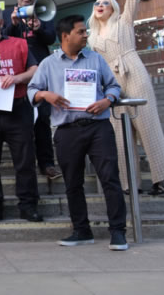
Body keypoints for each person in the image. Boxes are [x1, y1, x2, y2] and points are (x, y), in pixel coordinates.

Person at [28, 15, 128, 251]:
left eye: (85, 31)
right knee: (73, 183)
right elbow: (31, 90)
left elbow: (114, 85)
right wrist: (46, 95)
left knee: (110, 179)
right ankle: (81, 230)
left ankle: (118, 232)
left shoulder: (95, 58)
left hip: (98, 127)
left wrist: (107, 100)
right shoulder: (48, 64)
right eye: (81, 31)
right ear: (65, 36)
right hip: (67, 131)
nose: (86, 35)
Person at [88, 0, 164, 196]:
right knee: (120, 133)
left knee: (147, 125)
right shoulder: (91, 37)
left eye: (105, 2)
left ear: (113, 8)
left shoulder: (123, 22)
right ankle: (128, 184)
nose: (101, 5)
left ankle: (161, 179)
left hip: (132, 71)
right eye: (97, 3)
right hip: (111, 82)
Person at [0, 3, 42, 223]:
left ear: (2, 22)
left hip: (16, 107)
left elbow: (34, 69)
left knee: (24, 160)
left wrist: (17, 78)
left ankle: (28, 205)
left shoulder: (19, 44)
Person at [6, 0, 61, 180]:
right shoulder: (7, 15)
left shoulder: (44, 13)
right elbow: (3, 39)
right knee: (20, 124)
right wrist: (12, 24)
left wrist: (38, 27)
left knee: (43, 121)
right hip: (17, 75)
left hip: (40, 75)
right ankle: (25, 163)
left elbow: (50, 38)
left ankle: (46, 163)